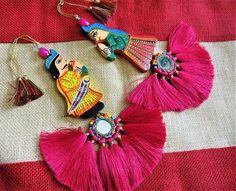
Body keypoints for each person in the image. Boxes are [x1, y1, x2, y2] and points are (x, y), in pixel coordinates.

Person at [42, 49, 104, 118]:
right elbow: (71, 85)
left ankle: (96, 106)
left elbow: (83, 71)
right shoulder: (60, 80)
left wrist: (79, 70)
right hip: (76, 97)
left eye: (63, 60)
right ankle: (88, 112)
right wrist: (74, 72)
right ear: (54, 70)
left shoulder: (70, 70)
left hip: (84, 91)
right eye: (59, 61)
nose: (65, 62)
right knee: (84, 107)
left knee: (92, 100)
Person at [82, 23, 157, 72]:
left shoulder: (112, 35)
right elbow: (112, 56)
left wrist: (111, 48)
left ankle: (150, 58)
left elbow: (121, 43)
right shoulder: (108, 39)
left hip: (131, 46)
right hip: (128, 51)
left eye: (94, 34)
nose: (95, 39)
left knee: (143, 54)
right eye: (93, 38)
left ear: (100, 29)